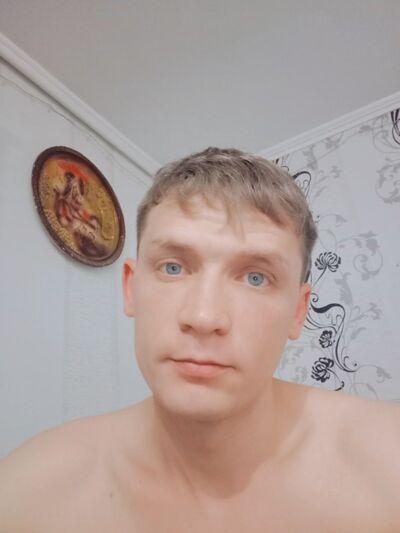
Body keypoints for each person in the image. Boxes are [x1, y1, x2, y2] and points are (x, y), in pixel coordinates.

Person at [1, 147, 399, 532]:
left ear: (298, 311)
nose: (204, 317)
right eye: (173, 267)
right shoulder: (30, 493)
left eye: (255, 277)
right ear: (131, 289)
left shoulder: (386, 461)